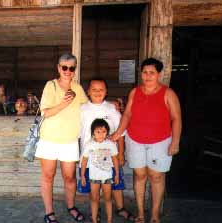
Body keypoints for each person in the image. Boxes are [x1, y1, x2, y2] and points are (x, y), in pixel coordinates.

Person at [110, 58, 182, 223]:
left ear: (159, 74)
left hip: (160, 141)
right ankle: (141, 213)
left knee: (156, 176)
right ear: (140, 73)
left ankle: (155, 214)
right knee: (140, 174)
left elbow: (177, 118)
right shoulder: (135, 92)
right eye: (145, 72)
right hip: (135, 139)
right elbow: (127, 114)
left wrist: (175, 142)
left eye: (152, 72)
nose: (148, 76)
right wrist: (119, 132)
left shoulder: (168, 93)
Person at [35, 53, 88, 223]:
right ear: (58, 68)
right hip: (49, 140)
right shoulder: (51, 86)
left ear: (75, 69)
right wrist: (65, 102)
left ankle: (71, 206)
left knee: (70, 177)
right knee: (48, 176)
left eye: (71, 68)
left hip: (70, 141)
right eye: (64, 67)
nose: (67, 70)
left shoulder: (78, 88)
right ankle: (49, 213)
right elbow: (46, 113)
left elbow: (87, 109)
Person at [78, 78, 134, 221]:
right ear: (88, 92)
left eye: (101, 89)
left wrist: (121, 153)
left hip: (110, 158)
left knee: (116, 184)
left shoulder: (111, 108)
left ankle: (120, 208)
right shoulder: (82, 109)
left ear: (106, 92)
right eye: (94, 89)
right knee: (93, 187)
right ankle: (95, 211)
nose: (98, 92)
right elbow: (78, 133)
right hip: (90, 158)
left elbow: (120, 132)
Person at [81, 119, 120, 223]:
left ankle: (109, 220)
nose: (101, 134)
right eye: (98, 132)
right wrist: (83, 175)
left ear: (107, 132)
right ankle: (94, 219)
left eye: (104, 131)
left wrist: (117, 174)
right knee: (94, 198)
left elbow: (115, 159)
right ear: (93, 132)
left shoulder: (110, 144)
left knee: (108, 198)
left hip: (107, 177)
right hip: (94, 177)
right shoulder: (89, 145)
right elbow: (84, 160)